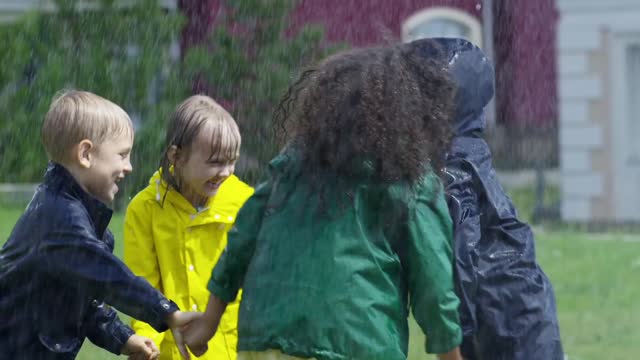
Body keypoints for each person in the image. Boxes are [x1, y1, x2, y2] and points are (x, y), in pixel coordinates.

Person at [182, 43, 464, 360]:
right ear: (406, 114)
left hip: (266, 340)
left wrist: (209, 321)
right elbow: (434, 285)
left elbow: (242, 238)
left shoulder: (292, 166)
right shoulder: (409, 181)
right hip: (358, 342)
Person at [0, 90, 200, 360]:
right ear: (85, 154)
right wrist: (165, 310)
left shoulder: (78, 220)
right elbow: (109, 277)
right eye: (122, 154)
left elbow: (84, 301)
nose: (128, 167)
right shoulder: (60, 220)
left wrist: (123, 337)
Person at [408, 37, 564, 360]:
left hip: (503, 320)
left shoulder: (453, 167)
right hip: (523, 310)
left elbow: (461, 251)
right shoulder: (469, 150)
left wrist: (456, 339)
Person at [124, 95, 254, 359]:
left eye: (232, 161)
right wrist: (147, 344)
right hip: (174, 353)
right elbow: (142, 286)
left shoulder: (246, 204)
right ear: (177, 156)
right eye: (215, 162)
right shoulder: (145, 209)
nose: (226, 171)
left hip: (234, 351)